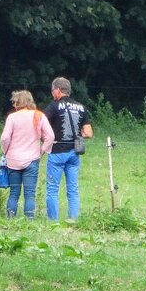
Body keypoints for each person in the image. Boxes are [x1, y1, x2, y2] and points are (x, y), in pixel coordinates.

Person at [43, 76, 93, 221]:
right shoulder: (81, 107)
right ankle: (74, 219)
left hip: (57, 152)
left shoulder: (53, 106)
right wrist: (78, 133)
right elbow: (89, 133)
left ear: (58, 90)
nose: (52, 94)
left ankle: (53, 221)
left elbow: (42, 125)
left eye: (53, 91)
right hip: (74, 154)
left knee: (52, 189)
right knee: (73, 189)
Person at [0, 90, 54, 218]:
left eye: (14, 101)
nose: (13, 104)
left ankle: (10, 218)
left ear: (18, 102)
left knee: (14, 193)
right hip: (32, 159)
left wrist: (5, 151)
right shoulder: (38, 116)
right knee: (30, 194)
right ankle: (29, 220)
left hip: (13, 160)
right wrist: (42, 151)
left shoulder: (12, 117)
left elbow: (5, 138)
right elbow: (50, 136)